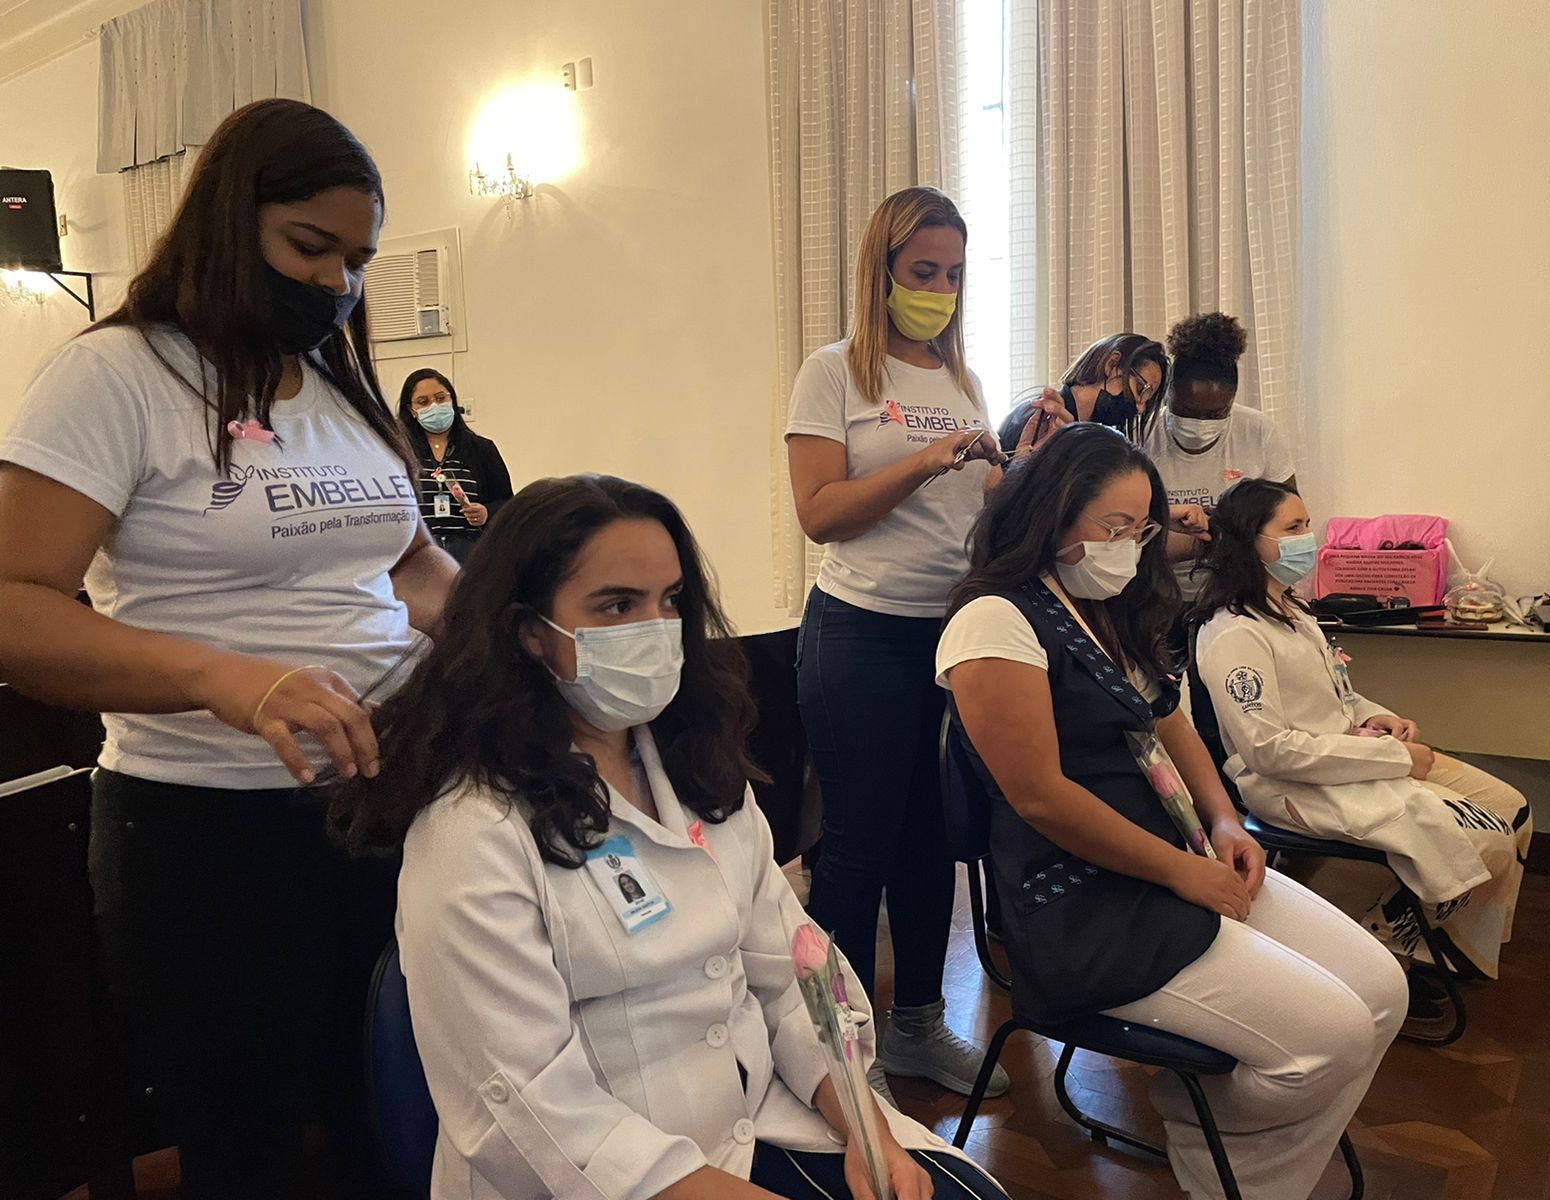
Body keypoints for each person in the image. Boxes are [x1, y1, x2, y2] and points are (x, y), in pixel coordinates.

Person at [0, 99, 456, 1197]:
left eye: (357, 261)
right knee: (254, 1149)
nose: (336, 284)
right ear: (227, 222)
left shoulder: (337, 382)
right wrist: (223, 679)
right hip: (208, 834)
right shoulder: (117, 376)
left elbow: (409, 565)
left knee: (395, 1118)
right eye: (310, 247)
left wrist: (517, 623)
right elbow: (16, 603)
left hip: (384, 804)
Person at [325, 475, 1010, 1200]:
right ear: (529, 631)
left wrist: (868, 1130)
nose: (657, 628)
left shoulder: (698, 774)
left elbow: (793, 979)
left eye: (672, 600)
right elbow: (529, 1108)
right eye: (618, 605)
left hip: (752, 1126)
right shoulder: (472, 831)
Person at [939, 423, 1405, 1200]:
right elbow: (1039, 796)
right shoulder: (995, 620)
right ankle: (1226, 1166)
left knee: (1383, 993)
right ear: (1053, 514)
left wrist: (1223, 822)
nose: (1130, 547)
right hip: (1083, 903)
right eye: (1114, 527)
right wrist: (1182, 873)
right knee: (1333, 1038)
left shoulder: (1098, 606)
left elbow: (1170, 720)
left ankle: (1215, 1136)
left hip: (1173, 857)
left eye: (1142, 530)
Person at [784, 186, 1005, 1100]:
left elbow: (974, 517)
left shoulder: (963, 382)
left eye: (953, 274)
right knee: (859, 845)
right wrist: (923, 461)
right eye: (923, 272)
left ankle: (916, 1025)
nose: (940, 291)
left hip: (945, 639)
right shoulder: (833, 372)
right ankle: (832, 1051)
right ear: (881, 272)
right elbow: (819, 514)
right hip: (859, 634)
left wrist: (1019, 472)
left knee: (929, 841)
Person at [1193, 479, 1531, 988]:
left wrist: (1378, 719)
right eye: (1293, 527)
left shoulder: (1291, 611)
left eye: (1307, 524)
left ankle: (1447, 945)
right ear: (1250, 540)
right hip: (1292, 785)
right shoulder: (1234, 633)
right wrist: (1397, 758)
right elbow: (1268, 751)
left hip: (1351, 756)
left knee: (1513, 809)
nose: (1308, 539)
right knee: (1488, 837)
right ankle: (1390, 945)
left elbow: (1339, 696)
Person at [1144, 312, 1295, 596]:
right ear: (1167, 393)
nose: (1200, 424)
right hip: (1156, 595)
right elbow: (1127, 536)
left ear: (1232, 400)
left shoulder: (1258, 432)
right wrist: (1215, 539)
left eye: (1215, 414)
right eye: (1186, 411)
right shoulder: (1142, 436)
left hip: (1236, 593)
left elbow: (1289, 521)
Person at [993, 331, 1168, 468]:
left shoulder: (1094, 441)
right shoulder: (1038, 419)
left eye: (1147, 400)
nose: (1140, 408)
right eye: (1141, 390)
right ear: (1112, 364)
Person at [398, 367, 513, 563]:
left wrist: (486, 513)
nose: (434, 405)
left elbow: (507, 503)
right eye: (423, 402)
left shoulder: (481, 449)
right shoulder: (401, 451)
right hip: (417, 554)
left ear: (451, 400)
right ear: (412, 411)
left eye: (440, 398)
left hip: (470, 554)